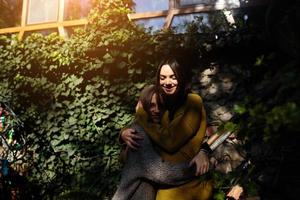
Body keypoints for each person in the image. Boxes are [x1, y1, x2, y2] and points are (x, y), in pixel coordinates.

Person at [132, 56, 213, 200]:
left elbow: (170, 141)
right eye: (162, 77)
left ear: (181, 78)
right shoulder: (165, 106)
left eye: (172, 77)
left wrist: (141, 116)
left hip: (186, 187)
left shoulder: (192, 101)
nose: (167, 82)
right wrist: (124, 133)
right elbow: (149, 134)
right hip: (164, 182)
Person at [113, 85, 197, 200]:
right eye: (151, 105)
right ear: (143, 106)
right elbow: (164, 173)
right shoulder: (139, 132)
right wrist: (199, 166)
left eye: (160, 105)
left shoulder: (156, 130)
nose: (157, 110)